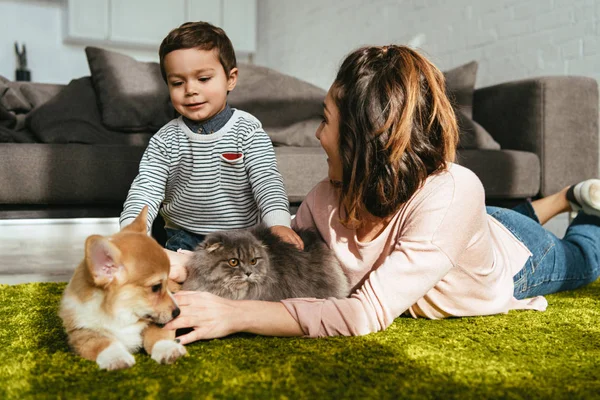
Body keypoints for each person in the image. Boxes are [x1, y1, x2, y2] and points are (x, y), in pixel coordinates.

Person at [164, 45, 600, 343]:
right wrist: (185, 262)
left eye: (326, 120)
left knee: (585, 256)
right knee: (483, 220)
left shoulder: (452, 192)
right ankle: (561, 196)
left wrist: (235, 316)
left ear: (359, 139)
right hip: (467, 228)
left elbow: (363, 314)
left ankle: (584, 207)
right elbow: (278, 252)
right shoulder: (324, 197)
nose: (317, 135)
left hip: (519, 258)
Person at [120, 21, 302, 251]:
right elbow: (145, 189)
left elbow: (267, 181)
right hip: (185, 236)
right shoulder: (164, 140)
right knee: (179, 279)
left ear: (231, 79)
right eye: (177, 82)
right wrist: (132, 232)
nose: (190, 90)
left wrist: (279, 224)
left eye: (203, 79)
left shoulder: (248, 131)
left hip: (242, 237)